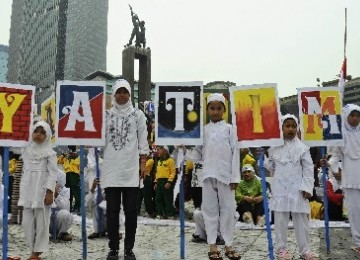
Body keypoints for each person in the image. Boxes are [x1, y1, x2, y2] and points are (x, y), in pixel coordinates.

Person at [101, 79, 149, 260]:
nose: (122, 95)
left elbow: (143, 141)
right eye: (119, 92)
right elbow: (98, 139)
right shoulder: (106, 115)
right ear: (114, 94)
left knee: (130, 211)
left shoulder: (138, 115)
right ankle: (113, 248)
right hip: (111, 168)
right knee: (112, 210)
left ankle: (129, 248)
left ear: (130, 94)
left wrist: (143, 163)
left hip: (131, 169)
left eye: (125, 92)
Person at [266, 114, 316, 260]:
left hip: (298, 189)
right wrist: (263, 156)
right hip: (280, 189)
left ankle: (305, 250)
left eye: (294, 126)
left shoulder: (302, 148)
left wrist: (308, 187)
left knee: (301, 221)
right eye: (287, 126)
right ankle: (281, 250)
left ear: (297, 128)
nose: (291, 129)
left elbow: (308, 168)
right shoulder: (274, 147)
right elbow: (270, 167)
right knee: (280, 221)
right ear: (281, 127)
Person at [201, 93, 241, 260]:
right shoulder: (203, 131)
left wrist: (235, 178)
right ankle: (212, 245)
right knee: (209, 210)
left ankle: (228, 244)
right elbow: (197, 153)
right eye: (212, 108)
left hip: (226, 176)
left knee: (228, 210)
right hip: (208, 174)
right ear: (208, 110)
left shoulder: (230, 129)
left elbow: (235, 153)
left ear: (224, 110)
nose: (215, 112)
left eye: (219, 108)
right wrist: (184, 150)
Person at [18, 121, 58, 260]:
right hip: (28, 188)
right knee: (26, 221)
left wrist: (49, 191)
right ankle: (32, 248)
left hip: (41, 189)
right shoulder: (26, 151)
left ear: (47, 136)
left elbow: (53, 173)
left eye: (42, 133)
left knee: (42, 222)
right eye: (36, 131)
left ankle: (37, 251)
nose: (39, 135)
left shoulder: (50, 153)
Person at [327, 104, 360, 254]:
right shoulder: (340, 135)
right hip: (351, 178)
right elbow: (335, 157)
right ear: (346, 116)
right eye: (352, 115)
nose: (356, 118)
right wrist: (332, 168)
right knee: (354, 212)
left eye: (358, 115)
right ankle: (357, 242)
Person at [50, 170, 73, 241]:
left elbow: (65, 207)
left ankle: (63, 233)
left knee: (65, 214)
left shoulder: (65, 191)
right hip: (47, 219)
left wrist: (56, 196)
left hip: (58, 221)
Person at [154, 145, 176, 219]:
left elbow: (173, 172)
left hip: (166, 181)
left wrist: (169, 182)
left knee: (168, 198)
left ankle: (169, 214)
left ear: (165, 150)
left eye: (160, 149)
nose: (158, 151)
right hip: (159, 181)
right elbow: (157, 173)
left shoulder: (170, 160)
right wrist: (156, 182)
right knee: (158, 198)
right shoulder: (159, 161)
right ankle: (159, 213)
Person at [57, 145, 80, 214]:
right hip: (67, 174)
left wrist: (74, 156)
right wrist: (63, 155)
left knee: (76, 191)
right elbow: (59, 161)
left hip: (74, 174)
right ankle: (69, 207)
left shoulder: (78, 156)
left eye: (71, 149)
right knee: (68, 192)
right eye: (69, 149)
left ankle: (77, 207)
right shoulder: (66, 157)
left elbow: (80, 164)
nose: (70, 151)